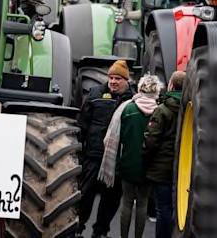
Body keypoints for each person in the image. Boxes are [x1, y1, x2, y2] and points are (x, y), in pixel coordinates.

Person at [99, 74, 162, 238]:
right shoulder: (159, 111)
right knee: (142, 204)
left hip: (127, 163)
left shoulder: (128, 109)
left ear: (140, 89)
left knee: (126, 203)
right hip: (149, 166)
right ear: (156, 91)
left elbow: (118, 137)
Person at [78, 60, 134, 238]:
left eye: (118, 78)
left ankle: (100, 231)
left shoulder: (132, 100)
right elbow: (82, 124)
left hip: (116, 160)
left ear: (127, 81)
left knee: (111, 198)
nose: (113, 81)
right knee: (85, 193)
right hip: (94, 155)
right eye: (111, 77)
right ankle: (78, 227)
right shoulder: (95, 94)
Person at [143, 70, 186, 238]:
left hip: (161, 168)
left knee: (163, 209)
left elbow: (151, 140)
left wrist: (145, 157)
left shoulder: (163, 109)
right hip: (182, 168)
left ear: (170, 85)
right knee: (177, 208)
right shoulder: (190, 107)